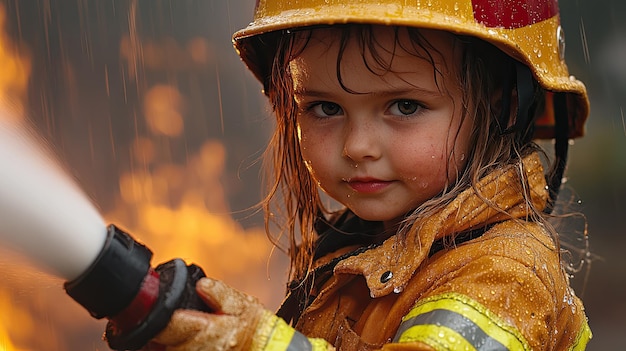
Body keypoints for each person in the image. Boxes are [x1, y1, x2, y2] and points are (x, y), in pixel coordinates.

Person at [142, 0, 592, 350]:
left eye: (405, 106)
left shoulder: (506, 272)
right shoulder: (365, 253)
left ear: (502, 106)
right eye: (325, 108)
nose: (357, 146)